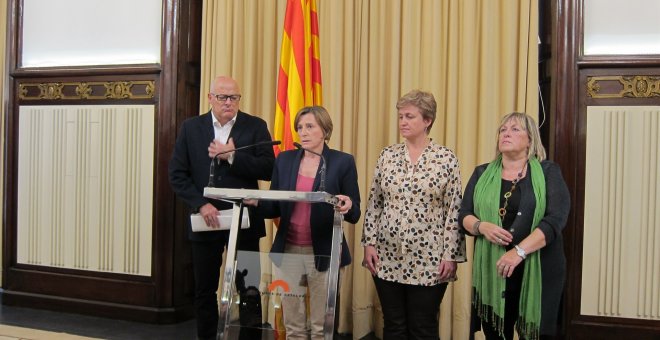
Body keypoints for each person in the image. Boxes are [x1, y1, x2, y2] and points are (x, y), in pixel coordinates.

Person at [168, 75, 275, 340]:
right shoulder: (191, 128)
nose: (229, 102)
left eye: (234, 97)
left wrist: (233, 157)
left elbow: (269, 169)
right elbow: (177, 174)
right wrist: (200, 204)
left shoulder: (255, 126)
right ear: (210, 98)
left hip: (245, 221)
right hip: (207, 219)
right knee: (204, 289)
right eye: (222, 97)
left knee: (248, 288)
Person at [361, 90, 466, 339]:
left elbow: (454, 210)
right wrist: (369, 243)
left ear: (427, 120)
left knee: (423, 327)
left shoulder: (446, 158)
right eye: (400, 117)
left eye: (409, 116)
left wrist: (450, 255)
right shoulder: (387, 156)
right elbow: (374, 203)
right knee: (394, 325)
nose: (403, 122)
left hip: (430, 260)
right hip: (387, 256)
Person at [458, 112, 570, 340]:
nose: (506, 133)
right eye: (503, 130)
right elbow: (464, 215)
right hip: (495, 268)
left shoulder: (549, 172)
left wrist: (519, 252)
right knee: (496, 333)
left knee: (538, 334)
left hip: (540, 268)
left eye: (515, 129)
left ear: (530, 140)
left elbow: (555, 219)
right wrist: (481, 227)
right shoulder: (481, 173)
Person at [259, 106, 361, 339]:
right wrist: (254, 201)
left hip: (324, 251)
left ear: (325, 130)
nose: (302, 132)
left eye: (309, 126)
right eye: (299, 127)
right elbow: (273, 206)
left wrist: (348, 204)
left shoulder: (342, 162)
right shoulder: (284, 160)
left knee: (320, 327)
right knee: (293, 326)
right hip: (288, 251)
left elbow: (354, 211)